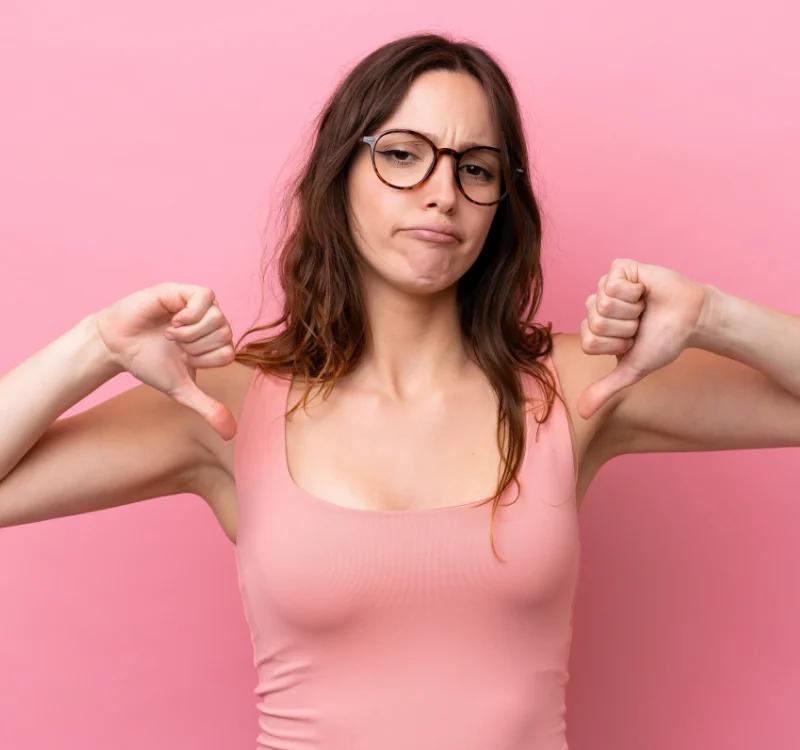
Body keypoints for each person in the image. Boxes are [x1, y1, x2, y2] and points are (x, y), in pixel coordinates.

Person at [3, 32, 798, 750]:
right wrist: (95, 347)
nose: (442, 192)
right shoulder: (226, 406)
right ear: (340, 174)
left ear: (501, 204)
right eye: (404, 154)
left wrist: (712, 315)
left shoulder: (575, 387)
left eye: (475, 168)